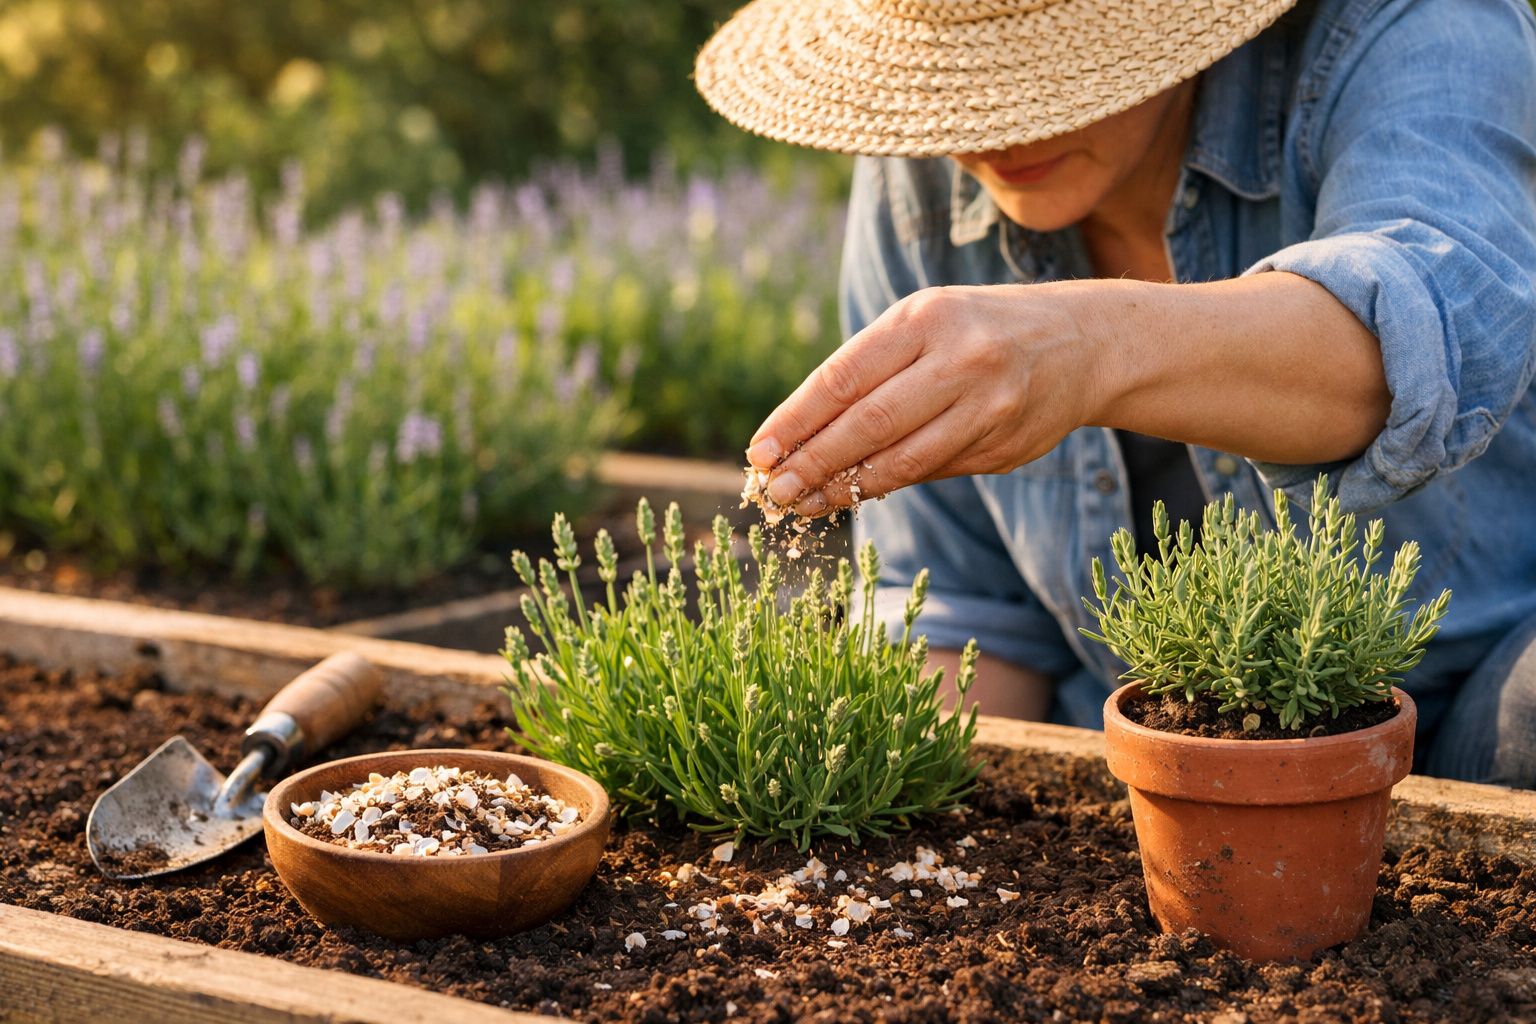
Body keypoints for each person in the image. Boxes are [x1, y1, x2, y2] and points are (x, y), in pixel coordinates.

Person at [694, 0, 1536, 787]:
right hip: (1144, 777)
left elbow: (1413, 339)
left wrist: (1087, 349)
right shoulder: (923, 173)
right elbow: (961, 612)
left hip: (1476, 718)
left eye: (1042, 71)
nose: (992, 128)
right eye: (955, 83)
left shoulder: (1411, 28)